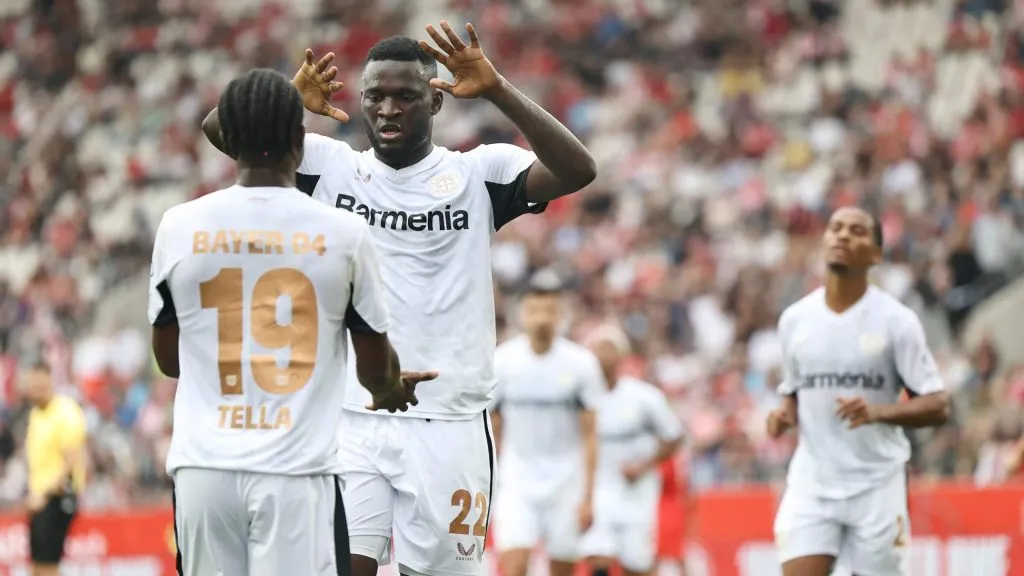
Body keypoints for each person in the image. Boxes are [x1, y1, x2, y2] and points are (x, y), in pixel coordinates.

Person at [200, 20, 596, 576]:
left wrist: (498, 88)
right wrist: (288, 100)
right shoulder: (331, 167)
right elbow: (221, 130)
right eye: (375, 96)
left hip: (451, 420)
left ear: (435, 101)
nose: (387, 109)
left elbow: (579, 169)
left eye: (405, 97)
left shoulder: (477, 174)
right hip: (353, 415)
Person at [150, 69, 435, 576]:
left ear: (230, 141)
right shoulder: (344, 233)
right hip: (296, 471)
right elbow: (374, 374)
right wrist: (391, 386)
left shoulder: (179, 224)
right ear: (300, 141)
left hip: (202, 469)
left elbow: (169, 361)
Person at [767, 206, 951, 576]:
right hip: (813, 482)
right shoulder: (796, 320)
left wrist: (878, 412)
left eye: (857, 230)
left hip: (876, 482)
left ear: (876, 254)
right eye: (835, 228)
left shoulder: (897, 321)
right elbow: (793, 388)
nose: (843, 236)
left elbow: (938, 404)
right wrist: (785, 411)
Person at [490, 271, 604, 576]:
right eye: (534, 310)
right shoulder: (503, 361)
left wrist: (590, 496)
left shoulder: (581, 364)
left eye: (550, 311)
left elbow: (591, 434)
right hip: (517, 478)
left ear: (561, 315)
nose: (542, 318)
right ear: (521, 315)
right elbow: (492, 426)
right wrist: (489, 480)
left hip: (566, 481)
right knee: (513, 565)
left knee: (562, 568)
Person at [580, 325, 683, 576]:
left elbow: (674, 437)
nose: (600, 355)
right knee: (597, 557)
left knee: (636, 565)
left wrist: (644, 465)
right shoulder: (580, 398)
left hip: (636, 494)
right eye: (595, 348)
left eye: (607, 348)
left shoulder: (643, 397)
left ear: (621, 355)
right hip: (597, 490)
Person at [23, 363, 87, 576]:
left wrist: (44, 494)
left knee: (47, 565)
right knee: (37, 565)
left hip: (57, 497)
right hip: (39, 498)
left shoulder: (65, 411)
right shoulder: (36, 414)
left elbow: (70, 461)